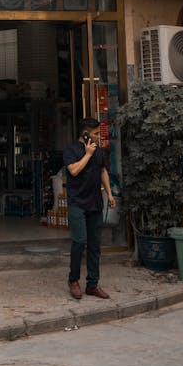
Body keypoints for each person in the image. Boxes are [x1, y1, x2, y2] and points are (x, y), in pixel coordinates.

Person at [63, 116, 116, 300]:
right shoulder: (71, 150)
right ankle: (73, 280)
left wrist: (109, 194)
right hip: (77, 202)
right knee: (79, 241)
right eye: (94, 134)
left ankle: (92, 284)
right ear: (85, 134)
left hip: (95, 202)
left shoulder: (99, 151)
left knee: (95, 245)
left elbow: (103, 171)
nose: (97, 137)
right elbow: (74, 170)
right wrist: (87, 154)